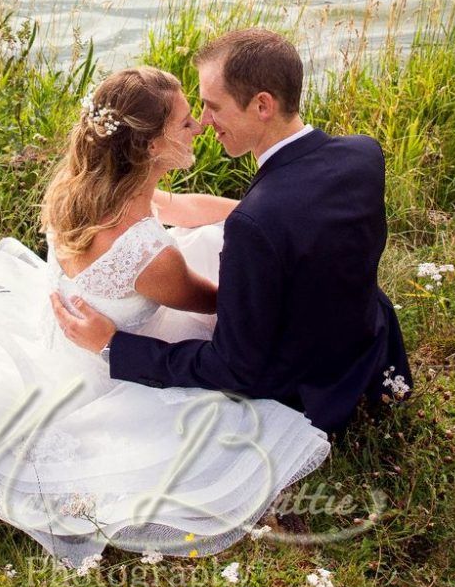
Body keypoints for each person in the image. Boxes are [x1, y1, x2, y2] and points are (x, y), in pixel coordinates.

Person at [0, 64, 329, 568]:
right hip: (112, 367)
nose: (200, 126)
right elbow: (217, 300)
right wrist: (273, 260)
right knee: (239, 337)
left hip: (66, 342)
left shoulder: (83, 186)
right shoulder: (147, 254)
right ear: (151, 144)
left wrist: (259, 213)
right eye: (187, 121)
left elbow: (177, 207)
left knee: (210, 231)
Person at [52, 29, 412, 437]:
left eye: (211, 106)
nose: (204, 122)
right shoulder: (363, 154)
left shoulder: (256, 226)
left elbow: (234, 369)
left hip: (303, 382)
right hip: (364, 334)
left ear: (262, 105)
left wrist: (114, 346)